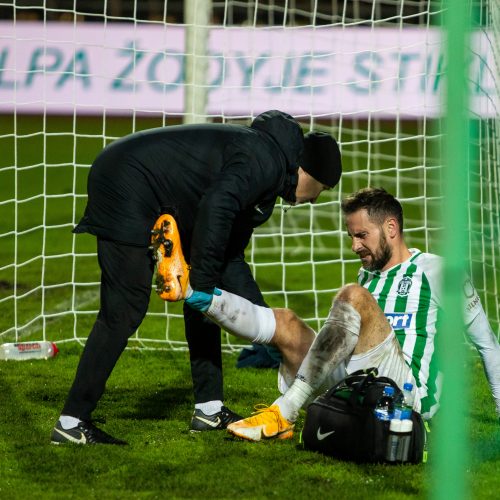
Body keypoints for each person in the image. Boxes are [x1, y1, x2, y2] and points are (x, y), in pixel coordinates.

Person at [50, 110, 342, 445]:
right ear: (307, 171)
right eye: (321, 189)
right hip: (127, 181)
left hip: (157, 190)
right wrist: (202, 284)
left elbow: (230, 259)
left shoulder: (267, 171)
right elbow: (217, 205)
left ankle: (209, 409)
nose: (315, 199)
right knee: (125, 309)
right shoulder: (266, 161)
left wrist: (267, 329)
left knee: (204, 296)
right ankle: (71, 422)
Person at [188, 187, 500, 441]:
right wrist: (192, 295)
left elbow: (487, 343)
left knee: (354, 296)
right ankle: (196, 295)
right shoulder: (368, 276)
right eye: (351, 236)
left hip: (407, 396)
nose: (354, 246)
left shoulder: (440, 271)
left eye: (362, 235)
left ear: (391, 228)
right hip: (359, 381)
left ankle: (285, 411)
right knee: (286, 322)